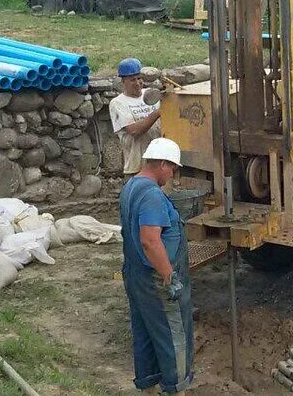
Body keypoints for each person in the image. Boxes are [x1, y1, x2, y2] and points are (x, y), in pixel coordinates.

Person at [120, 137, 194, 394]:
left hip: (135, 276)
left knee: (146, 334)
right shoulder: (152, 195)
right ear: (162, 164)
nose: (172, 174)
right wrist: (169, 276)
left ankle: (148, 389)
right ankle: (177, 390)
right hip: (155, 279)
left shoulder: (131, 186)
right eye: (172, 168)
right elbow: (150, 241)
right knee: (173, 337)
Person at [110, 57, 162, 176]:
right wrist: (158, 112)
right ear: (123, 81)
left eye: (139, 78)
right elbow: (134, 131)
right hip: (136, 166)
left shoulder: (151, 94)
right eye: (132, 80)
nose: (138, 83)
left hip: (158, 161)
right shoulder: (118, 103)